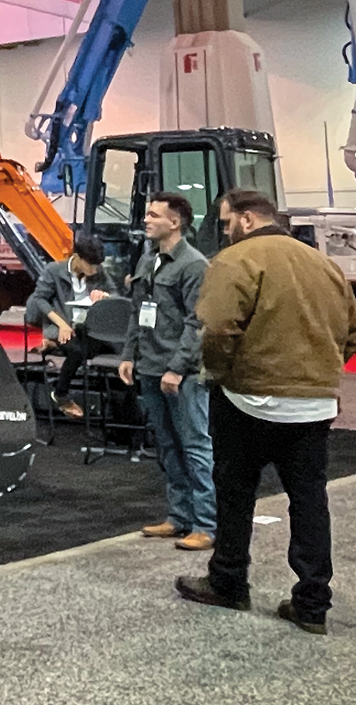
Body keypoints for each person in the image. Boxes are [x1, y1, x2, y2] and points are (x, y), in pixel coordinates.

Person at [174, 190, 356, 633]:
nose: (224, 229)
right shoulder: (325, 266)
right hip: (313, 403)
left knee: (235, 494)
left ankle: (228, 584)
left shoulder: (237, 260)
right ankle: (312, 605)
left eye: (226, 221)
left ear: (248, 219)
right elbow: (351, 333)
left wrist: (217, 373)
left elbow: (216, 328)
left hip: (247, 398)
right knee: (310, 501)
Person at [119, 191, 214, 551]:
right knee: (168, 446)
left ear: (175, 223)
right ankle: (179, 517)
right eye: (147, 214)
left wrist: (177, 368)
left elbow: (197, 322)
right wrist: (129, 354)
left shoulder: (194, 265)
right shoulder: (148, 261)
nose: (146, 220)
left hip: (181, 374)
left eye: (154, 215)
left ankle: (206, 524)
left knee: (195, 446)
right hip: (149, 367)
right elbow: (137, 311)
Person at [24, 234, 115, 420]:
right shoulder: (54, 271)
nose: (94, 269)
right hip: (61, 325)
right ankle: (61, 394)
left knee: (106, 346)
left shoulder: (98, 272)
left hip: (87, 328)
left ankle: (121, 409)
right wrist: (62, 325)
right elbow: (39, 299)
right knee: (78, 350)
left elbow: (114, 293)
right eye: (90, 264)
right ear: (78, 258)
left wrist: (105, 295)